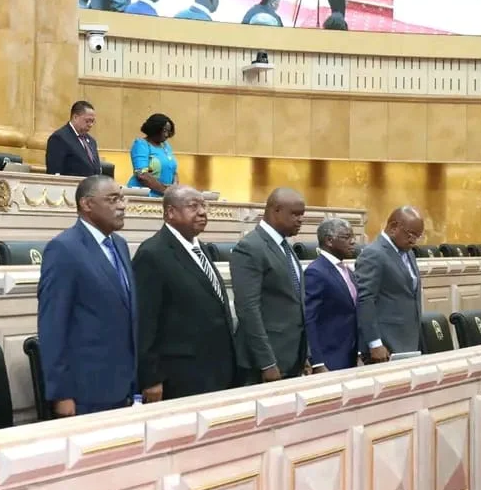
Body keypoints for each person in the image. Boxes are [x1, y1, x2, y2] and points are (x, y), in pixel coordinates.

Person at [37, 175, 137, 416]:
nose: (122, 205)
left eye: (122, 198)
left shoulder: (120, 245)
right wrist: (61, 393)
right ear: (87, 204)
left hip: (124, 386)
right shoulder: (64, 248)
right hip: (86, 392)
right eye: (113, 199)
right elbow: (53, 326)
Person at [133, 185, 237, 401]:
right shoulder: (152, 253)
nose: (202, 212)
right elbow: (145, 321)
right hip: (181, 376)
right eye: (193, 206)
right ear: (170, 212)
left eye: (204, 206)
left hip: (218, 369)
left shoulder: (202, 249)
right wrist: (151, 378)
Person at [231, 187, 309, 382]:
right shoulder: (250, 247)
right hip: (263, 364)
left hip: (292, 357)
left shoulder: (286, 247)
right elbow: (248, 309)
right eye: (295, 214)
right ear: (276, 210)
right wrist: (266, 362)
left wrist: (305, 354)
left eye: (302, 215)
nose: (300, 220)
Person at [355, 206, 425, 363]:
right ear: (394, 227)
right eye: (411, 234)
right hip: (384, 344)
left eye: (418, 236)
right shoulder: (374, 253)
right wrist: (374, 343)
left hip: (408, 340)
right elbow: (365, 300)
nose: (414, 241)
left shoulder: (409, 253)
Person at [303, 218, 358, 372]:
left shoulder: (347, 270)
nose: (353, 242)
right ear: (329, 240)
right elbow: (309, 319)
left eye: (353, 237)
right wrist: (317, 362)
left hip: (351, 356)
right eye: (347, 237)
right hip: (330, 358)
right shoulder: (316, 272)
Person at [45, 101, 102, 177]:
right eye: (87, 121)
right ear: (75, 117)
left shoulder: (91, 141)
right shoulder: (59, 138)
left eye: (92, 121)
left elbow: (94, 169)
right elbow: (54, 172)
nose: (90, 125)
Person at [126, 113, 177, 196]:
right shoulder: (141, 144)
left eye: (169, 131)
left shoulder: (166, 146)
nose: (167, 135)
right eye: (164, 131)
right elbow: (142, 175)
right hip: (145, 196)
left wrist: (175, 188)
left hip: (165, 196)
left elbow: (173, 171)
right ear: (154, 129)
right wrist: (165, 190)